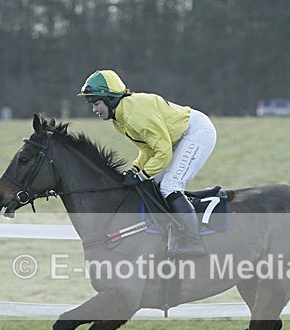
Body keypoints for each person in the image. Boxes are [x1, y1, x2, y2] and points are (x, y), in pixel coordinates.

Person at [78, 69, 217, 256]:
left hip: (196, 132)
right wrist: (135, 169)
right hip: (175, 139)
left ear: (110, 99)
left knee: (170, 185)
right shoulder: (120, 119)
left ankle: (194, 242)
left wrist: (141, 174)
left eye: (96, 103)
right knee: (152, 184)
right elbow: (147, 149)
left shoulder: (135, 115)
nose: (94, 109)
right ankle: (172, 233)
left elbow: (163, 152)